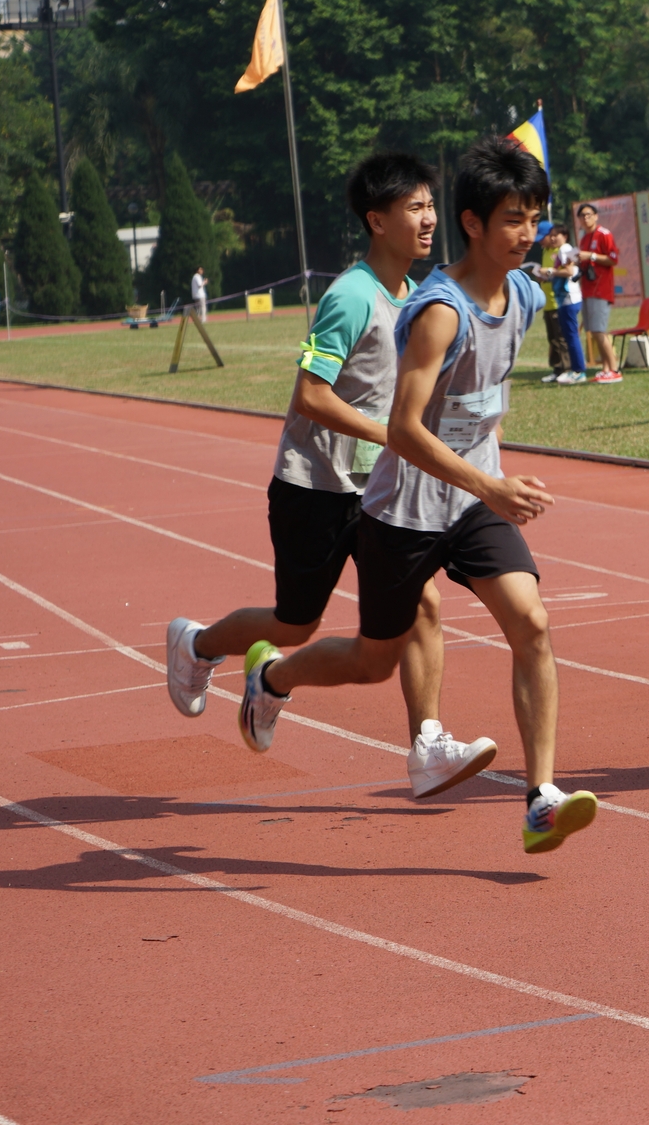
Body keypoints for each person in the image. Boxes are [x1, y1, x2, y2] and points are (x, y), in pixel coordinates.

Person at [236, 136, 600, 854]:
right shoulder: (440, 311)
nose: (529, 233)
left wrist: (487, 475)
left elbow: (485, 396)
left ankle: (541, 799)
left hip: (470, 504)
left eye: (535, 218)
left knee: (532, 622)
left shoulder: (526, 295)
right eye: (514, 219)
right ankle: (273, 677)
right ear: (474, 223)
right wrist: (491, 482)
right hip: (402, 511)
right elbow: (403, 429)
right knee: (374, 660)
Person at [164, 153, 495, 801]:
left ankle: (428, 746)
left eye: (431, 205)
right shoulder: (351, 295)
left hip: (382, 492)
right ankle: (198, 645)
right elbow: (310, 396)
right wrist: (392, 434)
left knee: (424, 604)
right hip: (315, 487)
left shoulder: (419, 298)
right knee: (295, 624)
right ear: (377, 220)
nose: (429, 219)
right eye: (414, 208)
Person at [532, 222, 587, 386]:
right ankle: (572, 370)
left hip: (568, 298)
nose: (553, 238)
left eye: (556, 235)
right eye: (552, 235)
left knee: (570, 336)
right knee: (567, 337)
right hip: (563, 299)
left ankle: (578, 370)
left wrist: (549, 271)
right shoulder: (563, 249)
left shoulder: (564, 249)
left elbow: (569, 272)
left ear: (565, 236)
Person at [574, 201, 622, 383]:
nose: (585, 218)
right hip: (587, 288)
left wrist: (591, 256)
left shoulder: (604, 234)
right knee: (593, 331)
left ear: (596, 216)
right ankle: (605, 369)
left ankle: (614, 369)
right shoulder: (584, 238)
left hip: (601, 289)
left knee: (600, 331)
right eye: (582, 216)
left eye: (588, 215)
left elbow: (613, 259)